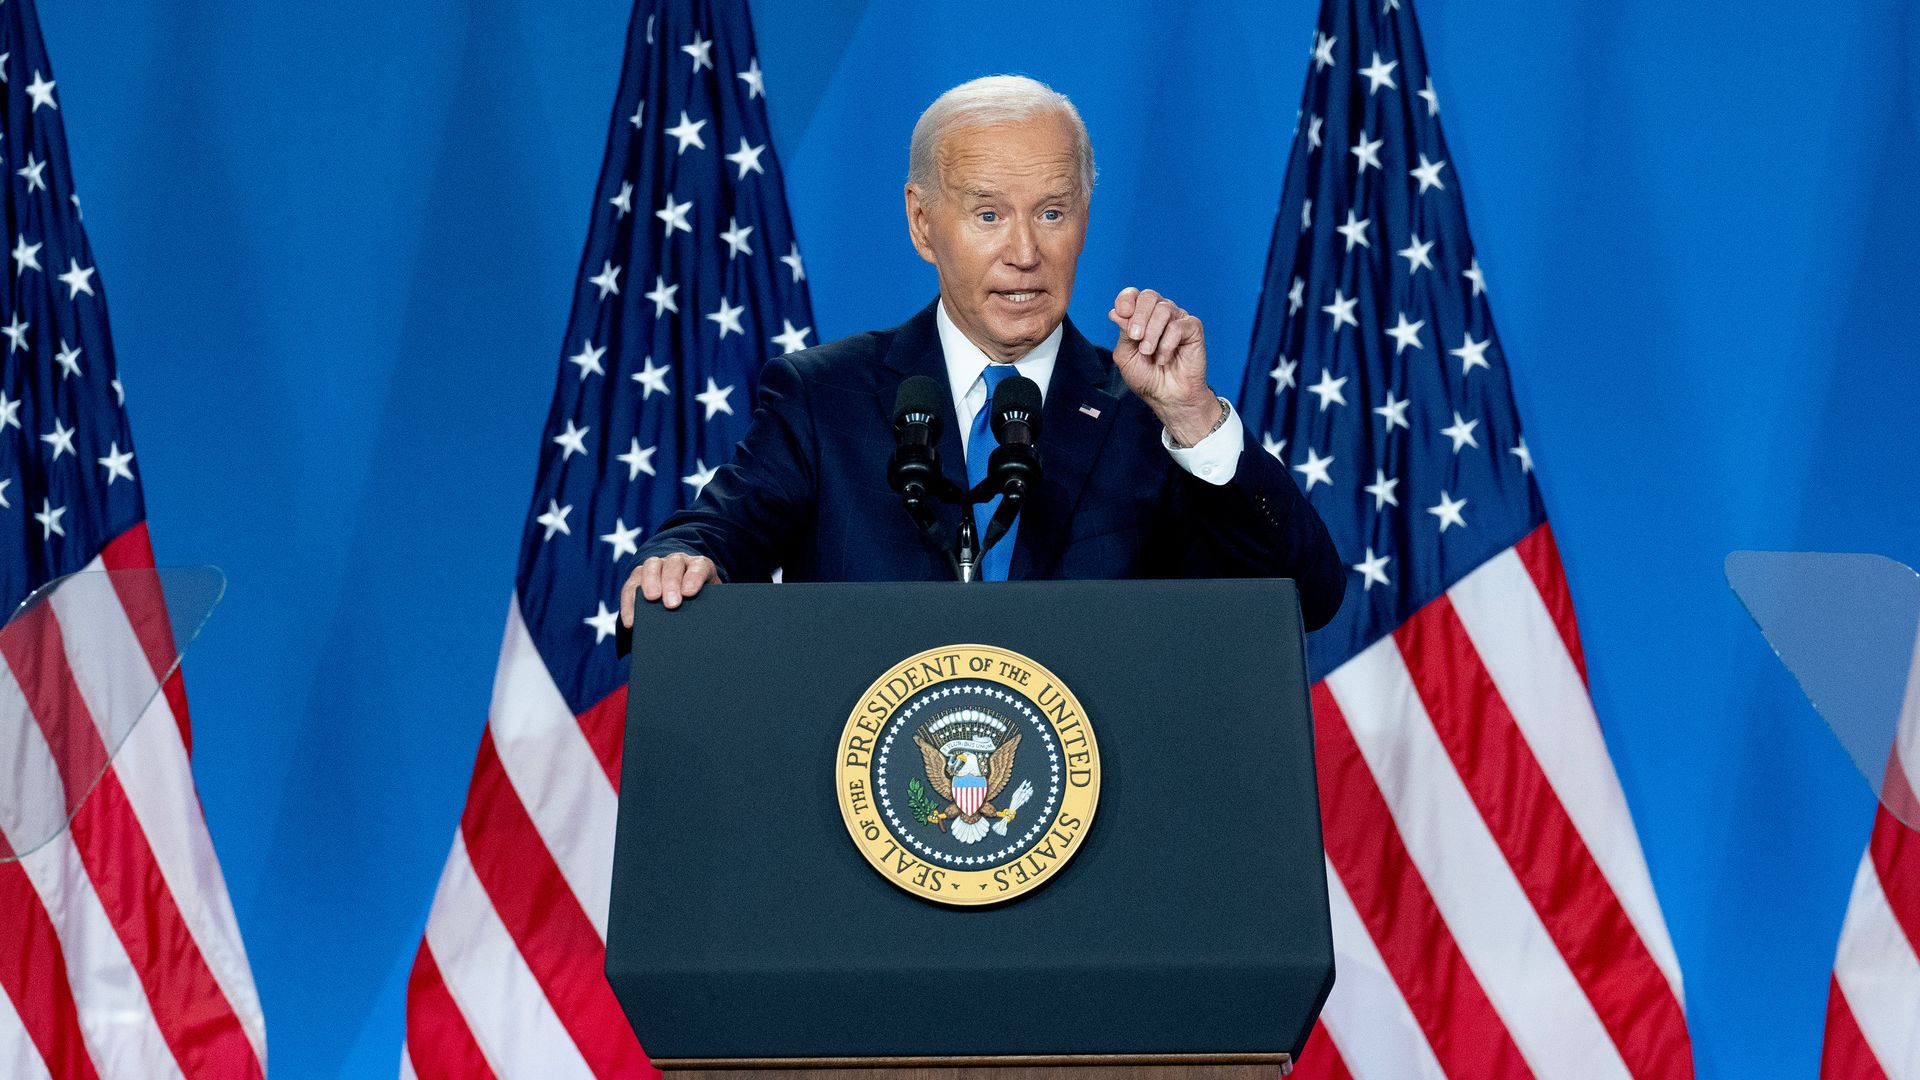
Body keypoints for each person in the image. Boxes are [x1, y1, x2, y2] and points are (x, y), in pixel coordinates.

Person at [619, 75, 1342, 629]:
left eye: (1052, 213)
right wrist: (679, 563)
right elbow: (714, 534)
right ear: (923, 222)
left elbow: (1300, 598)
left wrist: (1194, 422)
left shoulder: (1145, 415)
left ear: (1085, 222)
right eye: (989, 214)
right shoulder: (823, 398)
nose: (1025, 252)